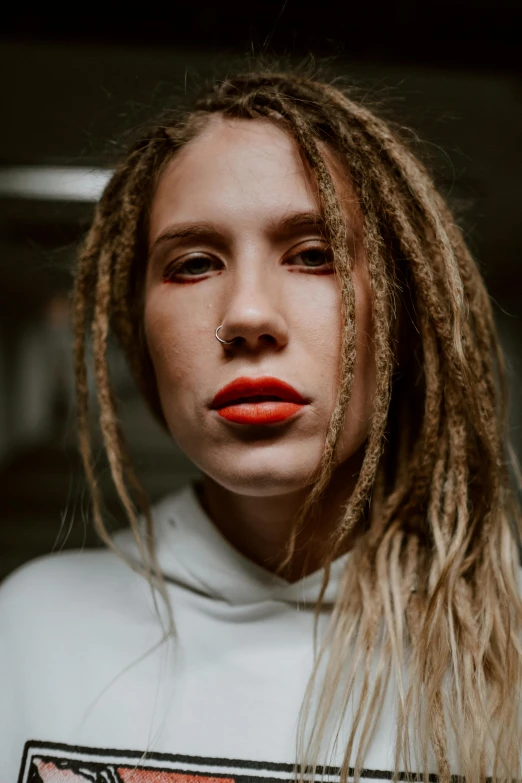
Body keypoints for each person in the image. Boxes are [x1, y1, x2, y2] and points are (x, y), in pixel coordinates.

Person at [1, 66, 521, 783]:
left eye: (315, 255)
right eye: (192, 264)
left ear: (403, 314)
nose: (247, 314)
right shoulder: (29, 628)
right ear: (140, 330)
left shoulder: (510, 644)